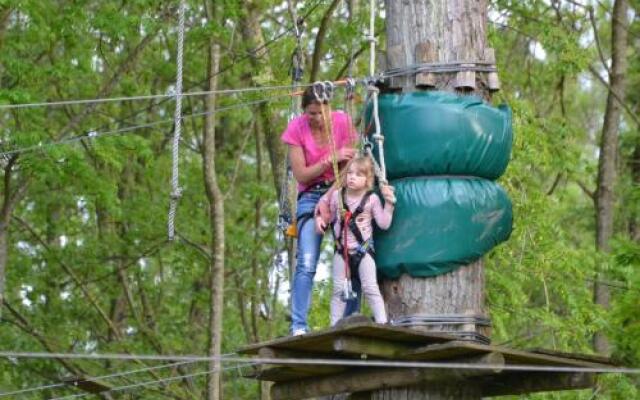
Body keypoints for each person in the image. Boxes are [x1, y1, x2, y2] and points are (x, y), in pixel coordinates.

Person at [281, 85, 357, 336]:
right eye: (310, 113)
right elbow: (301, 173)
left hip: (338, 190)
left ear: (328, 108)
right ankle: (299, 325)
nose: (315, 118)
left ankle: (349, 320)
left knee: (350, 254)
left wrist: (329, 198)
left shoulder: (343, 122)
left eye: (320, 112)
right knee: (306, 261)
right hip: (309, 194)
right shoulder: (296, 128)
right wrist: (328, 159)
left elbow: (351, 167)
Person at [315, 155, 396, 326]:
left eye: (359, 175)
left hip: (363, 251)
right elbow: (330, 217)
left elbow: (383, 223)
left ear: (367, 180)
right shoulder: (337, 196)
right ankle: (334, 325)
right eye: (350, 173)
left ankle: (382, 322)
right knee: (338, 290)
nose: (352, 177)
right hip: (341, 251)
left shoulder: (371, 199)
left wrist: (389, 204)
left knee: (370, 287)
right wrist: (321, 220)